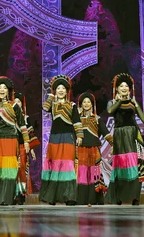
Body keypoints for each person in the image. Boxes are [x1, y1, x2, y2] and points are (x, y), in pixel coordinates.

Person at [104, 73, 144, 206]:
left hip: (133, 135)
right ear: (117, 89)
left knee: (134, 165)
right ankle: (119, 196)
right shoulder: (113, 102)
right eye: (121, 86)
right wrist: (120, 100)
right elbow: (110, 111)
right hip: (120, 136)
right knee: (121, 165)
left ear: (130, 89)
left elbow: (142, 117)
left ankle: (135, 197)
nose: (124, 88)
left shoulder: (133, 102)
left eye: (126, 86)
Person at [0, 76, 30, 205]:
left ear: (9, 91)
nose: (2, 90)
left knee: (9, 168)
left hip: (11, 138)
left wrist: (26, 141)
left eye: (4, 88)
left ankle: (6, 198)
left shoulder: (14, 105)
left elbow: (22, 124)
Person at [40, 74, 82, 205]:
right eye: (58, 88)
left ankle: (69, 197)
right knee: (55, 165)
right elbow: (45, 108)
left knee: (67, 165)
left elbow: (76, 121)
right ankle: (51, 197)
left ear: (67, 90)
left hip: (68, 137)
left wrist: (80, 136)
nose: (61, 90)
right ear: (55, 90)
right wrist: (50, 97)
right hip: (55, 138)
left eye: (63, 88)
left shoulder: (72, 105)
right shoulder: (52, 104)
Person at [76, 92, 112, 205]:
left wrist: (113, 144)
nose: (86, 104)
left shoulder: (96, 119)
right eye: (84, 102)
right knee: (81, 173)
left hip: (94, 149)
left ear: (92, 104)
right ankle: (81, 199)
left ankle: (93, 199)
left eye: (89, 102)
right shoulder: (77, 120)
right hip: (81, 150)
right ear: (81, 104)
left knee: (93, 173)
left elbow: (105, 133)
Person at [14, 92, 40, 205]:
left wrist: (32, 149)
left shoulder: (26, 118)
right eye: (14, 101)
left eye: (18, 101)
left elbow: (30, 133)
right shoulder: (8, 116)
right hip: (11, 146)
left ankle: (21, 193)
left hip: (23, 147)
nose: (16, 103)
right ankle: (11, 193)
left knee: (22, 169)